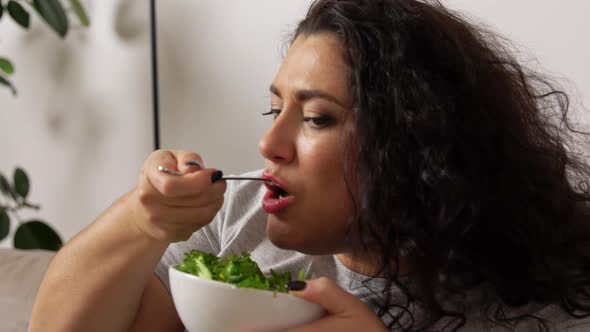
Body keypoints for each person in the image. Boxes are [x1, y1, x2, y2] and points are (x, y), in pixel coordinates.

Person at [30, 0, 590, 331]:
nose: (269, 141)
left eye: (318, 118)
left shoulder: (542, 299)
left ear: (420, 144)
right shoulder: (238, 220)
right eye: (274, 108)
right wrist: (141, 221)